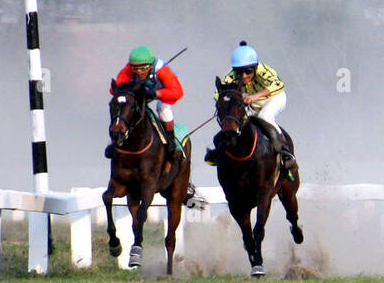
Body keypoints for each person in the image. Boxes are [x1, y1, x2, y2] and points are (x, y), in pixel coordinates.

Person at [206, 42, 298, 181]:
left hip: (273, 98)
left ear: (255, 67)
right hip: (250, 103)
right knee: (236, 123)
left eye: (248, 71)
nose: (243, 75)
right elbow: (219, 93)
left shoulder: (265, 70)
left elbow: (278, 85)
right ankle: (220, 152)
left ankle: (284, 152)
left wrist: (255, 96)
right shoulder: (231, 76)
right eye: (239, 71)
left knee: (265, 116)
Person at [108, 46, 185, 161]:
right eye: (135, 69)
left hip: (163, 91)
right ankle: (115, 140)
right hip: (142, 93)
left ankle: (171, 142)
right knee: (125, 109)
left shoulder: (163, 70)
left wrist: (155, 94)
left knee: (162, 108)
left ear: (150, 65)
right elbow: (117, 87)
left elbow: (177, 92)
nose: (139, 72)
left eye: (143, 68)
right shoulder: (129, 68)